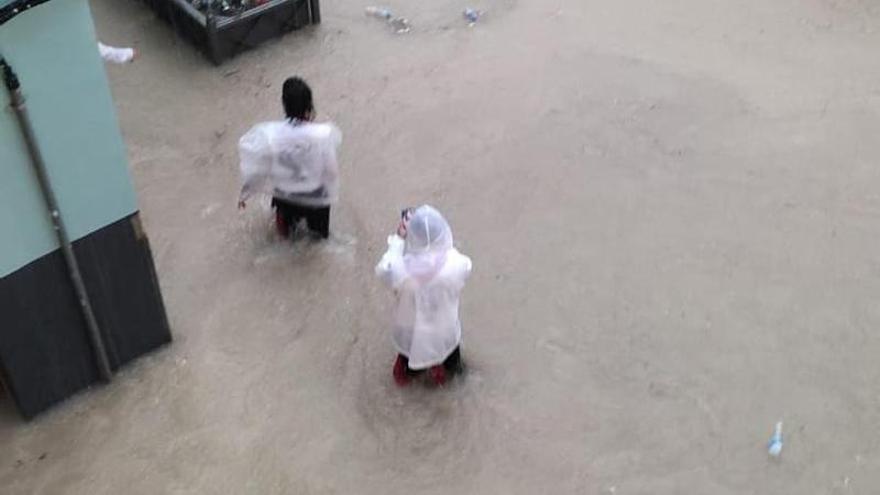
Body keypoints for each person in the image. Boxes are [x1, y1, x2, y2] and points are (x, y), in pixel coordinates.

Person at [375, 205, 473, 386]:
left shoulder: (399, 269)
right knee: (458, 376)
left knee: (405, 376)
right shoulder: (455, 263)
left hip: (410, 336)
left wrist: (398, 239)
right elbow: (467, 267)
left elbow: (383, 269)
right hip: (444, 334)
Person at [237, 77, 342, 239]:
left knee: (284, 240)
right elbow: (331, 172)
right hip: (316, 197)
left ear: (284, 105)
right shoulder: (323, 135)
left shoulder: (271, 136)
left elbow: (258, 170)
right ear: (309, 106)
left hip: (286, 198)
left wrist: (245, 194)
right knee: (319, 241)